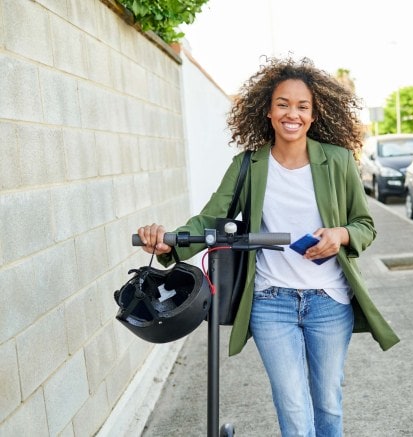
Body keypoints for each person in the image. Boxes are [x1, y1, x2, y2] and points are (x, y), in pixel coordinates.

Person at [136, 56, 399, 437]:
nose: (292, 113)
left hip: (329, 300)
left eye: (302, 106)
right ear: (268, 111)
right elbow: (211, 219)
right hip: (271, 301)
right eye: (283, 104)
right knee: (292, 406)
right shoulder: (249, 165)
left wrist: (339, 236)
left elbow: (365, 224)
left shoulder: (338, 161)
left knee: (327, 401)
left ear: (313, 114)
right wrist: (167, 243)